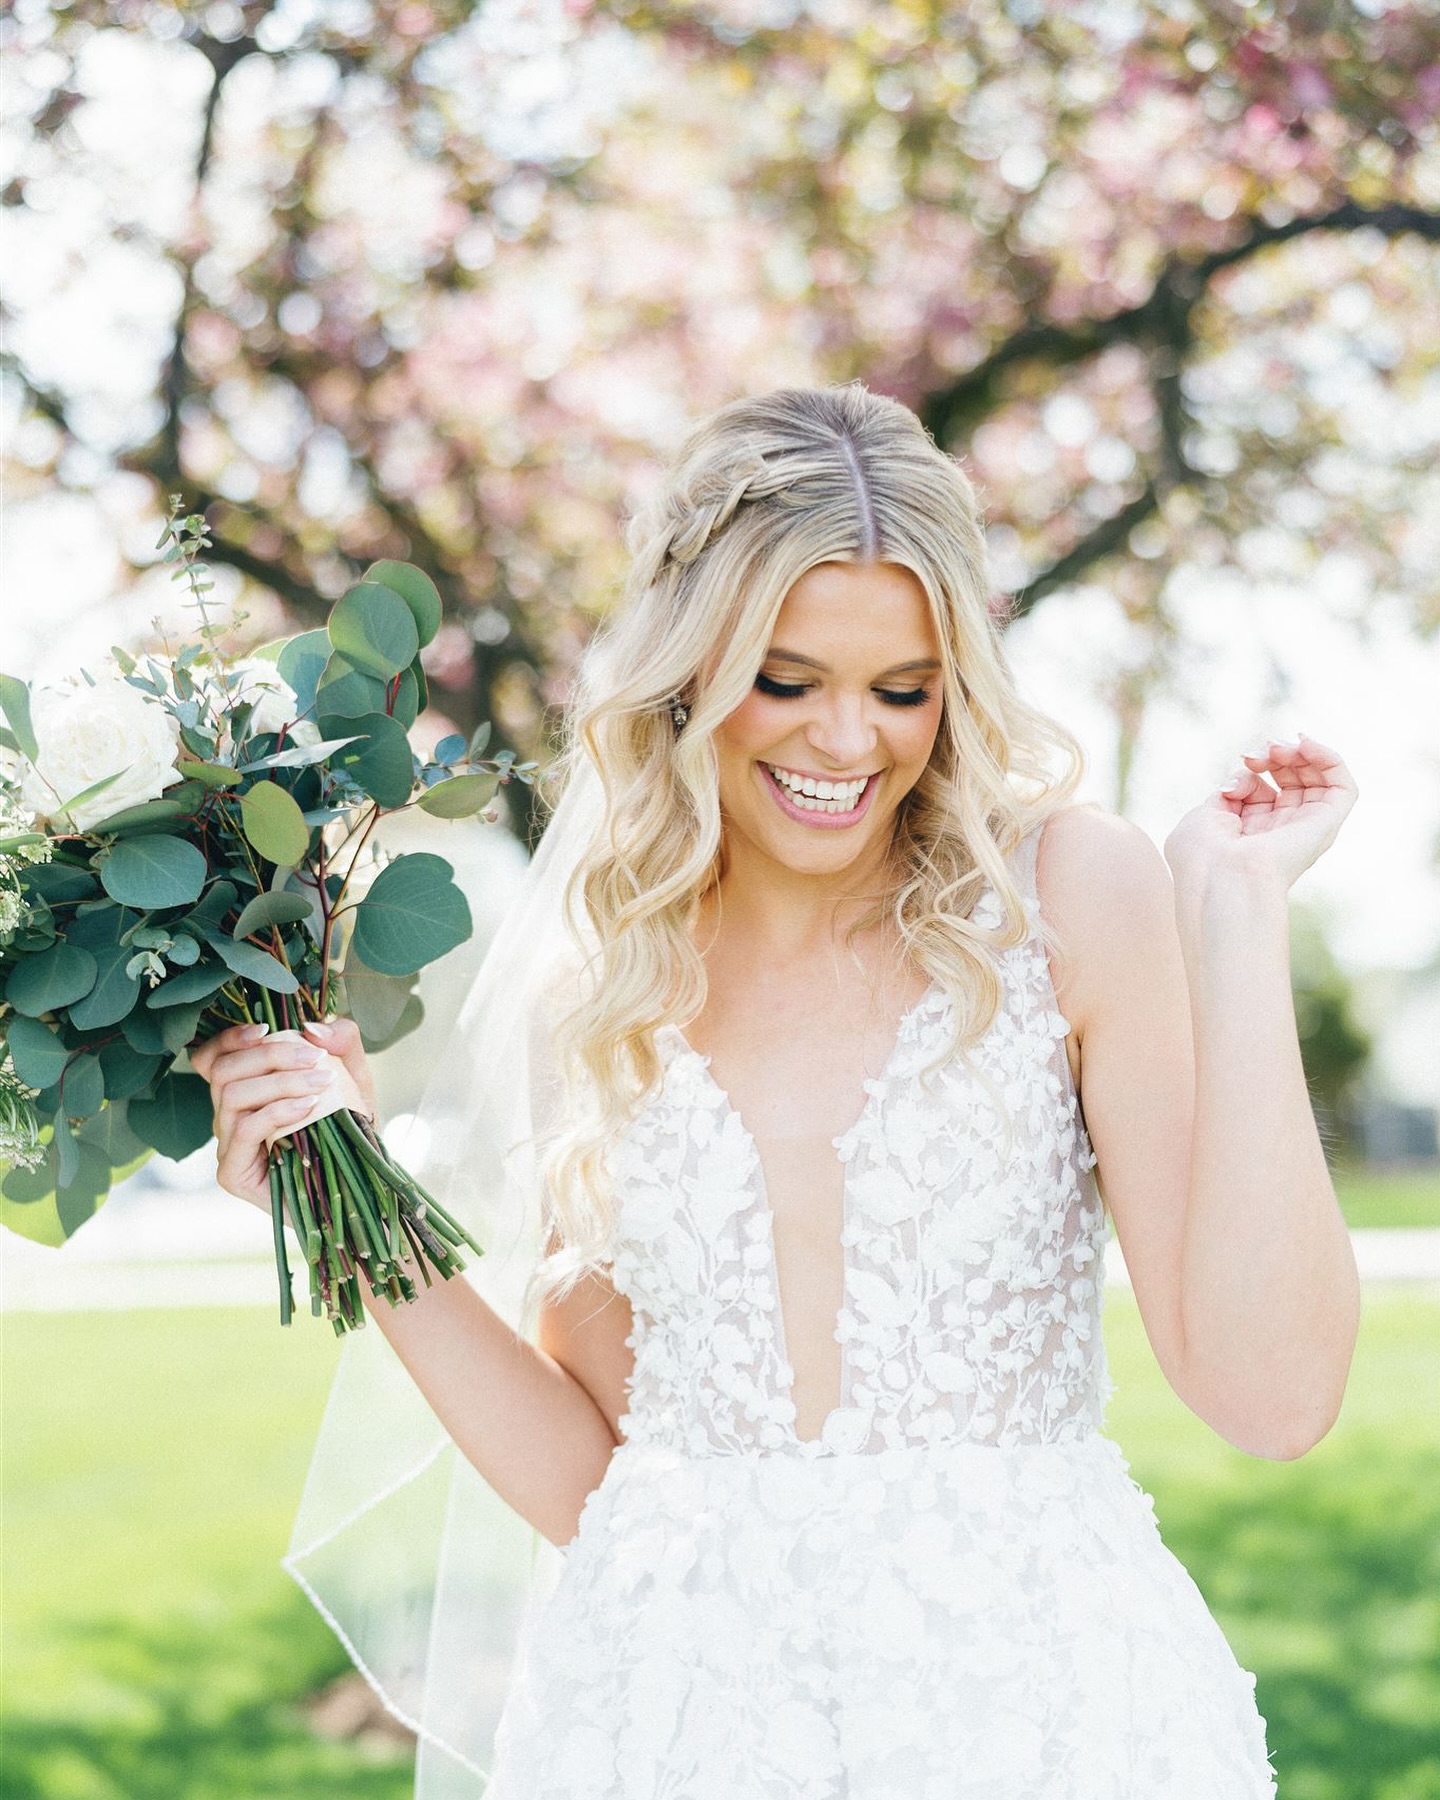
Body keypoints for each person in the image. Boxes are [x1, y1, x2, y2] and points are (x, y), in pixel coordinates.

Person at [193, 381, 1360, 1798]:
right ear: (688, 668)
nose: (846, 742)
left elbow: (1274, 1395)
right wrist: (348, 1190)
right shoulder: (607, 974)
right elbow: (602, 1478)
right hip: (668, 1720)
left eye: (901, 690)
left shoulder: (1065, 896)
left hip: (1041, 1713)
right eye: (788, 680)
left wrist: (1230, 913)